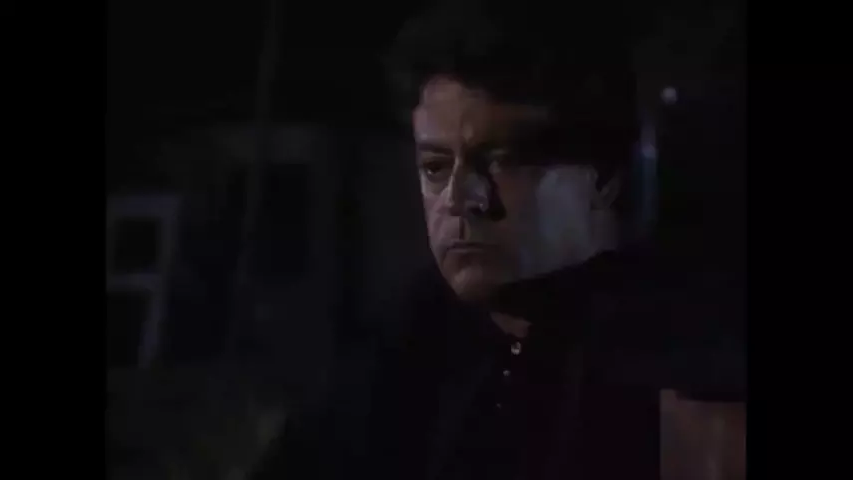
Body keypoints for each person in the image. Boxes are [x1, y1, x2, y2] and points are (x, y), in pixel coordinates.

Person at [252, 1, 745, 479]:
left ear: (603, 176)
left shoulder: (684, 359)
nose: (458, 198)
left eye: (502, 161)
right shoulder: (410, 342)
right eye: (435, 167)